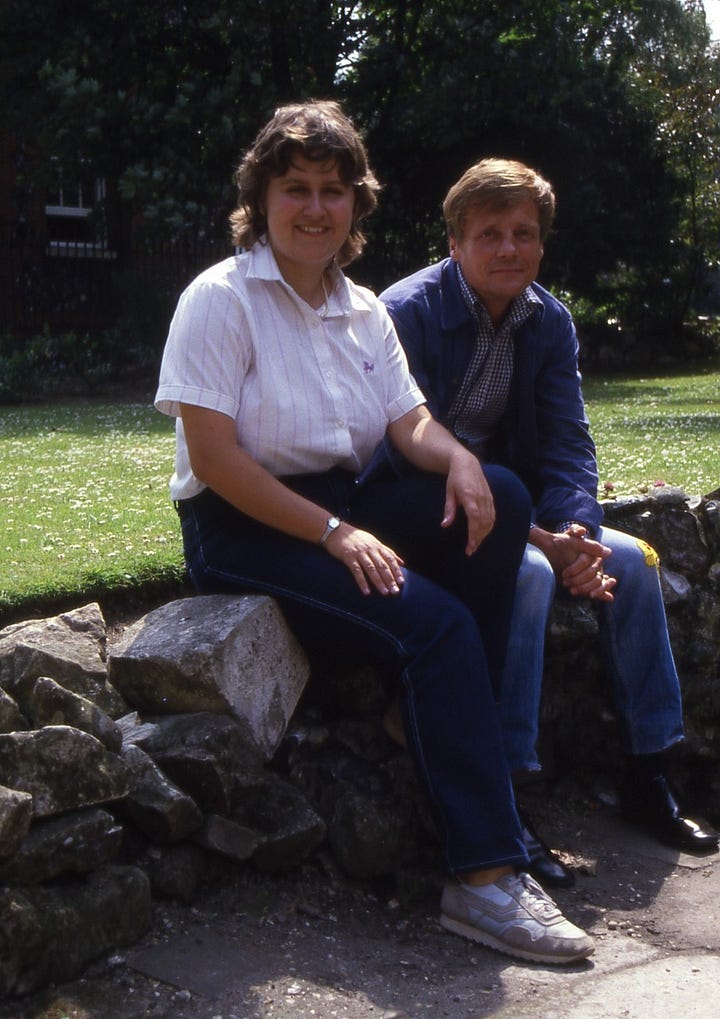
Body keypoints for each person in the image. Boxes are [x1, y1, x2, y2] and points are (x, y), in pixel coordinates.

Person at [154, 105, 594, 964]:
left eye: (333, 189)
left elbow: (410, 420)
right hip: (244, 524)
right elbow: (214, 458)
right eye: (296, 189)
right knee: (437, 627)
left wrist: (459, 461)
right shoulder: (220, 297)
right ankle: (484, 880)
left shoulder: (360, 309)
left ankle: (421, 713)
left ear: (357, 203)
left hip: (338, 504)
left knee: (498, 492)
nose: (315, 208)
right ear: (261, 196)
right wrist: (332, 534)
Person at [378, 157, 719, 886]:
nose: (509, 249)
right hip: (430, 510)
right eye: (490, 234)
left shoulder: (548, 320)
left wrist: (580, 534)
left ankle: (649, 771)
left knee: (635, 559)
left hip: (524, 507)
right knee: (528, 573)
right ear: (455, 243)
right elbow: (395, 455)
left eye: (524, 234)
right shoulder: (404, 314)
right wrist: (539, 541)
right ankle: (504, 792)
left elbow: (569, 443)